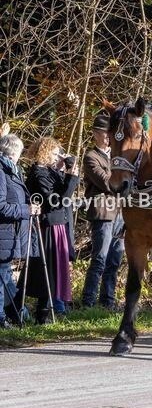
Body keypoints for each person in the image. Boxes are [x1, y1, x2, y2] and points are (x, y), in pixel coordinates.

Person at [22, 137, 79, 323]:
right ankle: (41, 315)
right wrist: (70, 175)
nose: (58, 156)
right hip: (47, 226)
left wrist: (65, 171)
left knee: (54, 270)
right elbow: (57, 201)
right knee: (47, 270)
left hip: (57, 224)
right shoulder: (38, 174)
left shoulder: (49, 172)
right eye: (55, 153)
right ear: (45, 153)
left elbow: (64, 192)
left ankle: (44, 312)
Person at [82, 113, 124, 310]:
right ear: (95, 134)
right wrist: (121, 179)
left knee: (114, 260)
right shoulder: (91, 157)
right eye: (105, 133)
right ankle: (88, 301)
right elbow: (108, 183)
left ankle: (108, 301)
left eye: (110, 133)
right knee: (100, 258)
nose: (108, 137)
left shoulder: (117, 156)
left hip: (121, 213)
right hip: (103, 213)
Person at [0, 134, 40, 328]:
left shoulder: (12, 171)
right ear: (14, 152)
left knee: (5, 276)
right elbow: (1, 207)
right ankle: (2, 318)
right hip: (3, 233)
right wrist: (26, 210)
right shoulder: (2, 172)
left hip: (11, 234)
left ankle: (17, 312)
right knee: (2, 277)